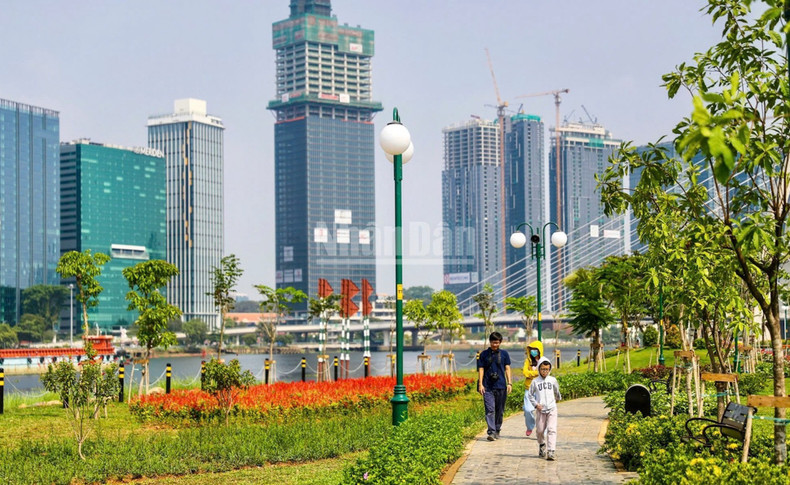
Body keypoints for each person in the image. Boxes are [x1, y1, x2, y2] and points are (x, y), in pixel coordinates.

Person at [477, 332, 512, 441]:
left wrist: (509, 383)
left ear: (500, 342)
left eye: (497, 342)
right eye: (493, 342)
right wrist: (480, 384)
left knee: (500, 410)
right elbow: (481, 369)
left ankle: (497, 429)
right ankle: (491, 432)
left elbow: (507, 369)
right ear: (490, 342)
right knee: (490, 409)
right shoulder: (483, 354)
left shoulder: (505, 354)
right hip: (488, 386)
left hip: (501, 385)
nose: (494, 345)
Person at [527, 357, 561, 460]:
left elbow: (556, 391)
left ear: (549, 369)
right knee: (540, 430)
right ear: (539, 369)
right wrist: (536, 404)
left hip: (552, 409)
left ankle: (551, 451)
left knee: (551, 429)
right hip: (541, 410)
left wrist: (558, 398)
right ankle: (542, 444)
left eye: (547, 369)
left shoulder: (552, 380)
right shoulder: (535, 382)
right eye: (542, 369)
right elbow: (530, 395)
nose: (544, 371)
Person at [522, 340, 544, 436]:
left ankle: (542, 431)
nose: (533, 351)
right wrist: (536, 373)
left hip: (541, 389)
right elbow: (525, 373)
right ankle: (530, 427)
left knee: (542, 411)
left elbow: (544, 373)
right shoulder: (528, 361)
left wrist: (531, 374)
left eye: (535, 350)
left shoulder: (544, 361)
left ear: (539, 350)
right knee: (527, 410)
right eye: (531, 350)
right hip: (529, 389)